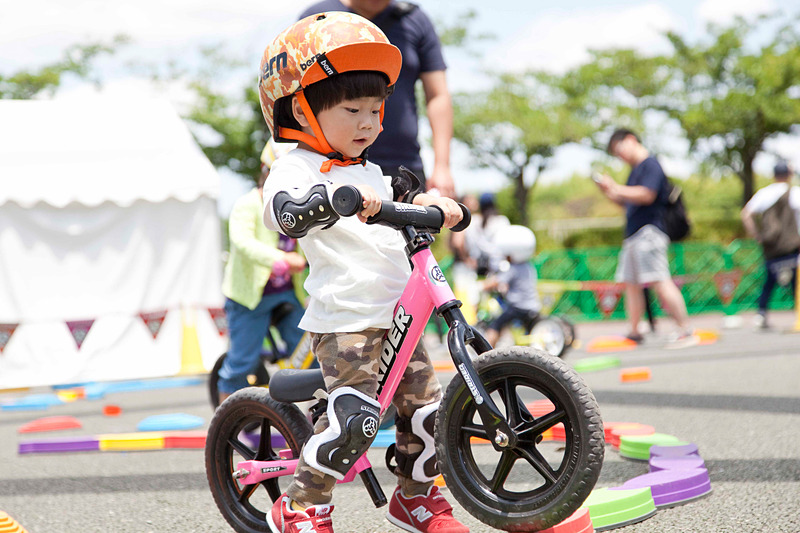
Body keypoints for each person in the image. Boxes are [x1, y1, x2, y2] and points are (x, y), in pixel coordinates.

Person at [257, 12, 467, 533]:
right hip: (347, 316)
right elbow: (284, 211)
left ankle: (416, 500)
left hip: (400, 315)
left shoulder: (371, 171)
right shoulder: (293, 167)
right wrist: (330, 199)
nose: (368, 123)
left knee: (425, 416)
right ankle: (302, 505)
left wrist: (431, 202)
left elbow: (398, 200)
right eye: (352, 109)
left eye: (375, 110)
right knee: (354, 422)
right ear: (300, 110)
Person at [299, 0, 455, 198]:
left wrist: (442, 166)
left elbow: (437, 95)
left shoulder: (414, 20)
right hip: (326, 164)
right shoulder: (317, 18)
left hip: (402, 166)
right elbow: (294, 90)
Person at [218, 140, 307, 404]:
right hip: (249, 296)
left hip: (288, 293)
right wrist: (281, 259)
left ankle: (308, 417)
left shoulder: (297, 205)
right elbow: (242, 242)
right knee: (242, 361)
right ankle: (224, 421)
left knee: (307, 354)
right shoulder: (248, 204)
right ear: (265, 171)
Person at [595, 128, 698, 348]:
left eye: (618, 148)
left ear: (630, 140)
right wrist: (608, 191)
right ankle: (634, 331)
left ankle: (686, 330)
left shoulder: (651, 164)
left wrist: (616, 186)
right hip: (633, 235)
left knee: (660, 280)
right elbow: (626, 200)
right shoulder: (635, 170)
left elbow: (646, 194)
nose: (619, 155)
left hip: (649, 232)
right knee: (631, 284)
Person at [740, 161, 800, 329]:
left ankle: (761, 313)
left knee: (769, 280)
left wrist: (756, 235)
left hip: (771, 245)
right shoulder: (794, 192)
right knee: (797, 280)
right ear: (788, 175)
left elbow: (746, 215)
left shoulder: (764, 194)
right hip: (792, 244)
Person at [481, 225, 542, 347]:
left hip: (518, 307)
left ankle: (486, 351)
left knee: (496, 324)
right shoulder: (528, 266)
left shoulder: (513, 268)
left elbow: (497, 281)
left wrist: (481, 286)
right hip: (533, 306)